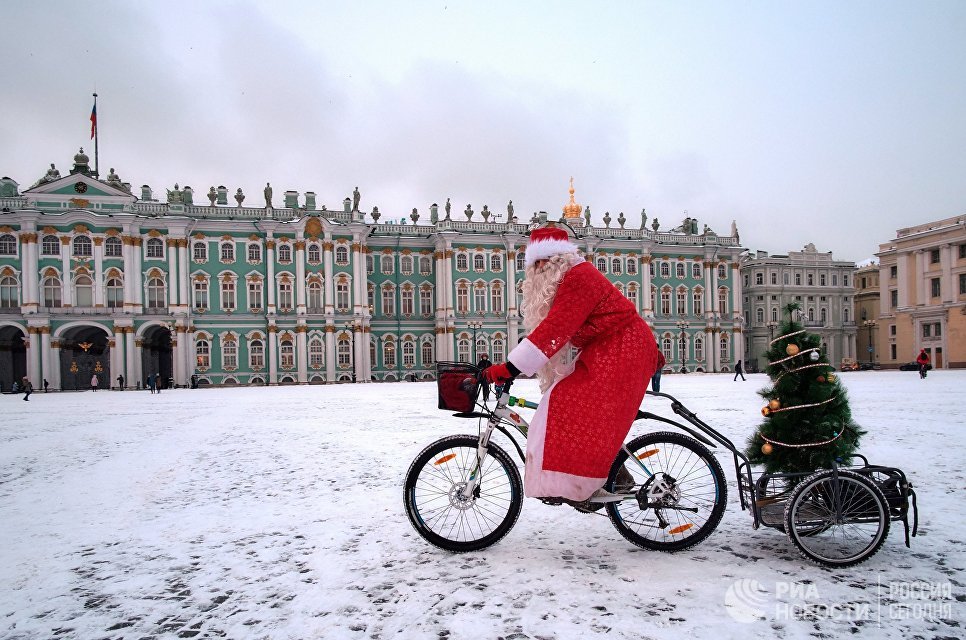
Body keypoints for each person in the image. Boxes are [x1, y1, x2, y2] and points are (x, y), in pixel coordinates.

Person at [483, 224, 659, 506]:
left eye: (542, 262)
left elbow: (555, 329)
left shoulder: (578, 277)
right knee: (570, 403)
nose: (537, 269)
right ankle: (603, 477)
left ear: (557, 259)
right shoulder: (568, 278)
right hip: (610, 348)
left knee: (567, 402)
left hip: (625, 347)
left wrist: (509, 368)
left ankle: (583, 485)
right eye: (534, 264)